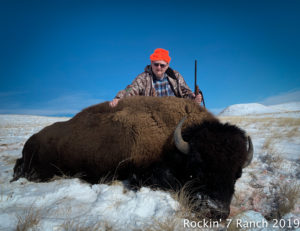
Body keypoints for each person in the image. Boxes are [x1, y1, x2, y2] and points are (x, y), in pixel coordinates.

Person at [109, 48, 202, 107]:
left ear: (167, 65)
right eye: (156, 64)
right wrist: (119, 98)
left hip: (175, 112)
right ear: (151, 63)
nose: (159, 67)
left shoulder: (176, 76)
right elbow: (130, 89)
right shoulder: (143, 78)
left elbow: (186, 93)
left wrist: (194, 97)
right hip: (152, 114)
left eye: (162, 65)